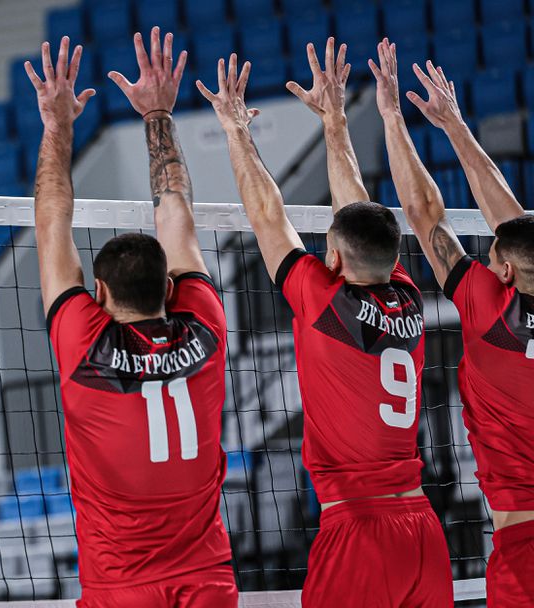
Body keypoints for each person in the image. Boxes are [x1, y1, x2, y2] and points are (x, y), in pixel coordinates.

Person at [197, 39, 452, 606]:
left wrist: (236, 130)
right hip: (421, 527)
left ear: (333, 258)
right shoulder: (408, 297)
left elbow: (268, 215)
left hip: (358, 528)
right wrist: (335, 121)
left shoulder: (324, 300)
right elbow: (356, 213)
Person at [26, 29, 238, 607]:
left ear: (97, 293)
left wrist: (57, 125)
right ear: (170, 288)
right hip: (206, 577)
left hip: (121, 585)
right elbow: (177, 214)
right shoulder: (206, 329)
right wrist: (158, 116)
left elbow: (50, 219)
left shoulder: (82, 342)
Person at [388, 46, 534, 606]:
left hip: (523, 545)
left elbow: (425, 215)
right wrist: (455, 124)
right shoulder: (497, 296)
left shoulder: (488, 310)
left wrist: (397, 118)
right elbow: (516, 229)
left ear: (505, 272)